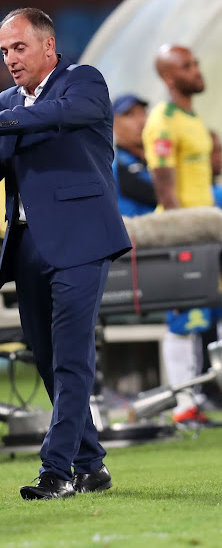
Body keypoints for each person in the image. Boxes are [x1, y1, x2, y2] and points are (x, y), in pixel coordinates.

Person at [0, 8, 131, 500]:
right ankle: (91, 465)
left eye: (19, 48)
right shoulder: (6, 101)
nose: (10, 59)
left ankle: (56, 472)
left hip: (82, 239)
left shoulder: (83, 82)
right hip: (28, 243)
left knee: (72, 359)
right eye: (5, 51)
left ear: (48, 47)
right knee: (50, 360)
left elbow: (62, 116)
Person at [142, 45, 216, 425]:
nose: (196, 69)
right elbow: (166, 191)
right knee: (183, 319)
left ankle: (200, 396)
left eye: (195, 61)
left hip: (207, 230)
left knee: (208, 317)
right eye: (187, 65)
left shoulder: (191, 118)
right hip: (184, 232)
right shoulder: (163, 119)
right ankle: (184, 404)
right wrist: (181, 237)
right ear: (170, 77)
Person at [112, 94, 155, 217]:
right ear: (113, 125)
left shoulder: (154, 160)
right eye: (130, 115)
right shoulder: (115, 166)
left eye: (143, 113)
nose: (141, 121)